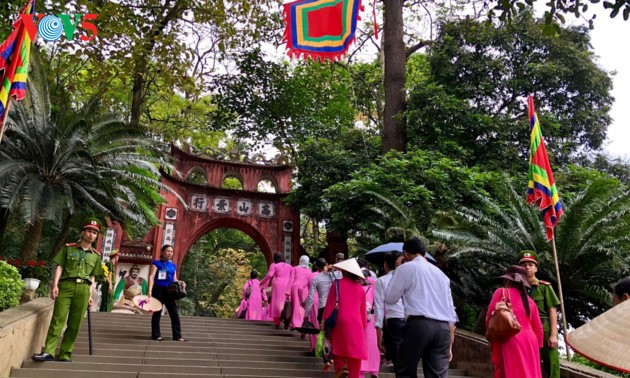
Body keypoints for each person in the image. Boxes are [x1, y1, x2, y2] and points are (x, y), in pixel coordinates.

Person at [32, 218, 105, 362]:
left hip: (84, 289)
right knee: (58, 319)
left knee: (75, 323)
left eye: (95, 233)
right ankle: (49, 352)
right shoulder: (69, 248)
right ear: (83, 232)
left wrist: (90, 295)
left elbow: (92, 277)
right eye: (89, 231)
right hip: (66, 286)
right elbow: (59, 266)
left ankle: (65, 353)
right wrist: (55, 285)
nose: (91, 235)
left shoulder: (96, 256)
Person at [384, 237, 457, 378]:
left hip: (418, 325)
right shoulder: (442, 275)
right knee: (438, 375)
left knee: (406, 371)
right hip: (443, 330)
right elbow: (451, 311)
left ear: (405, 253)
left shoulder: (405, 268)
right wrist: (450, 342)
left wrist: (397, 271)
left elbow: (390, 298)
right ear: (424, 252)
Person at [487, 265, 544, 378]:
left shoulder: (501, 292)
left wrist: (491, 340)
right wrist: (537, 349)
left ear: (507, 279)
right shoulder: (530, 302)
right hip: (530, 342)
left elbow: (490, 318)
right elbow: (539, 329)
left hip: (510, 338)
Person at [518, 250, 561, 378]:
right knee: (528, 363)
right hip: (525, 331)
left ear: (536, 268)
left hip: (545, 329)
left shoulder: (544, 287)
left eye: (530, 265)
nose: (527, 267)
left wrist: (553, 335)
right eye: (523, 265)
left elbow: (552, 311)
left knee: (551, 363)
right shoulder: (517, 289)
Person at [321, 258, 367, 378]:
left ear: (345, 272)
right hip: (356, 323)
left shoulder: (336, 284)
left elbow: (330, 306)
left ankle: (342, 369)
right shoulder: (360, 289)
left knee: (338, 351)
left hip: (340, 321)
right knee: (355, 355)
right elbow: (363, 316)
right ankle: (354, 375)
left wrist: (323, 321)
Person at [148, 244, 186, 341]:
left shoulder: (172, 266)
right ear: (162, 252)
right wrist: (149, 290)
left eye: (171, 252)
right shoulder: (156, 263)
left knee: (174, 313)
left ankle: (177, 336)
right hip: (158, 289)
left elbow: (175, 279)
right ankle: (156, 335)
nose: (170, 253)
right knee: (157, 313)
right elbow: (151, 277)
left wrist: (181, 283)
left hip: (170, 291)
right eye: (168, 251)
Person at [374, 251, 405, 370]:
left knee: (398, 363)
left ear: (385, 265)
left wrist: (379, 336)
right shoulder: (408, 278)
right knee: (408, 363)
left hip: (393, 324)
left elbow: (379, 308)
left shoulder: (382, 281)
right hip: (411, 321)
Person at [260, 252, 294, 329]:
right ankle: (287, 319)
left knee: (276, 303)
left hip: (277, 285)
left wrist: (262, 282)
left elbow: (269, 275)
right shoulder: (290, 267)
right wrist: (288, 290)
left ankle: (277, 322)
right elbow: (292, 278)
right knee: (286, 303)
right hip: (287, 285)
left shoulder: (274, 266)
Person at [359, 263, 380, 378]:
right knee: (372, 344)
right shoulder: (372, 289)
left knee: (361, 343)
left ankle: (361, 369)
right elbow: (376, 305)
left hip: (359, 319)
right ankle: (374, 369)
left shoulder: (357, 289)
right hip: (371, 319)